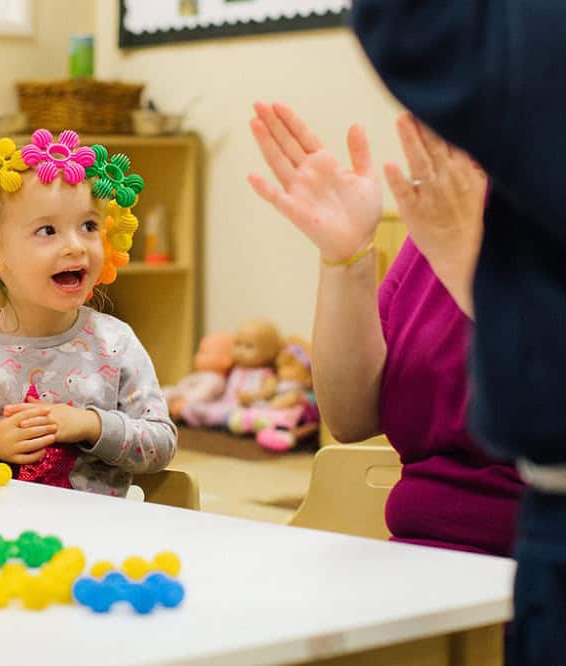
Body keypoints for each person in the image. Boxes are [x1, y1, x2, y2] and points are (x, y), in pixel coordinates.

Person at [350, 2, 566, 661]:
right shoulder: (451, 224)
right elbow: (351, 414)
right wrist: (345, 261)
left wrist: (461, 259)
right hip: (439, 563)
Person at [247, 101, 523, 555]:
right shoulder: (450, 210)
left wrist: (468, 266)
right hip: (414, 558)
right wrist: (346, 258)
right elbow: (351, 418)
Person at [0, 129, 176, 497]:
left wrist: (92, 426)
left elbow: (160, 444)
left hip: (93, 534)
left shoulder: (114, 342)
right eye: (47, 230)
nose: (76, 246)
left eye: (89, 226)